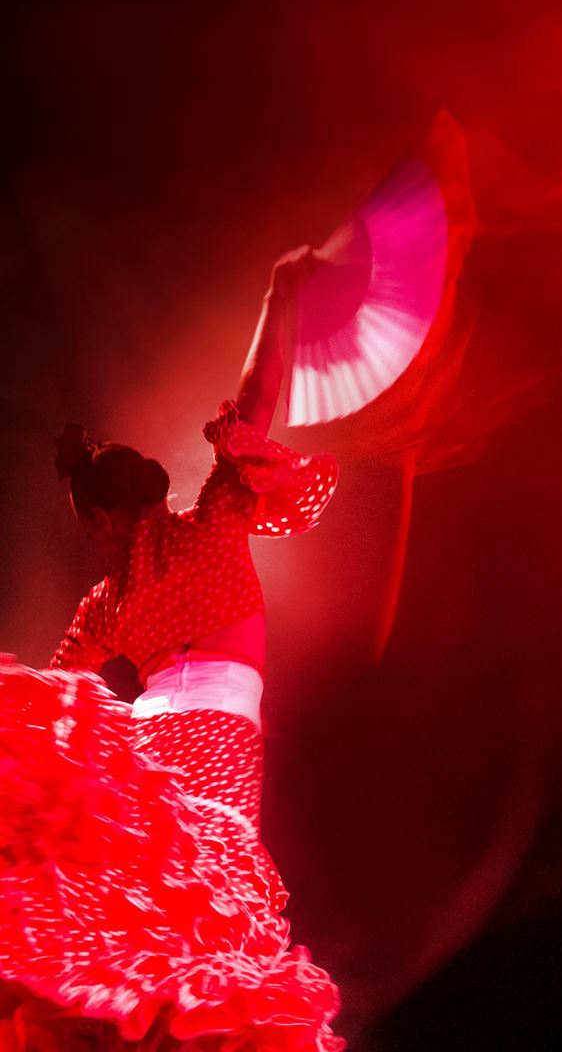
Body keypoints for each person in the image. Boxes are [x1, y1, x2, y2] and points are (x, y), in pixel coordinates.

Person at [0, 247, 344, 1052]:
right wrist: (279, 293)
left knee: (141, 922)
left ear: (100, 519)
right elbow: (257, 398)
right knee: (199, 931)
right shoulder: (212, 521)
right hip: (208, 742)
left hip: (155, 748)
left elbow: (46, 703)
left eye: (90, 526)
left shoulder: (106, 602)